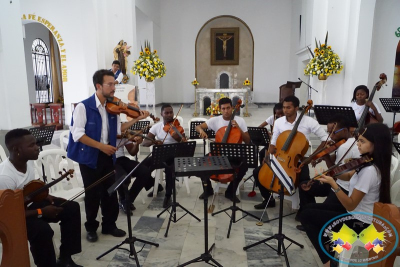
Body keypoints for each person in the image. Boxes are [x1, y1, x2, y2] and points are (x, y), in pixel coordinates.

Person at [68, 69, 147, 242]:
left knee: (110, 192)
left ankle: (109, 225)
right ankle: (91, 227)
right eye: (109, 84)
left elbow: (119, 130)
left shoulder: (112, 108)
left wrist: (137, 119)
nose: (113, 88)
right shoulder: (83, 107)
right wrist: (102, 147)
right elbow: (78, 135)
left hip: (106, 155)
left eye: (114, 84)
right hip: (89, 156)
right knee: (92, 194)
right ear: (98, 86)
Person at [300, 123, 392, 267]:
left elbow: (351, 203)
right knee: (307, 210)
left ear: (376, 144)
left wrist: (333, 184)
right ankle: (333, 255)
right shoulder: (369, 162)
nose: (358, 145)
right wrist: (331, 175)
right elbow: (349, 176)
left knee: (307, 216)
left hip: (361, 222)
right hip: (353, 213)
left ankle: (329, 262)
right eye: (358, 140)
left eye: (362, 142)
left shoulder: (370, 171)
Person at [0, 129, 82, 267]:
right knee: (42, 231)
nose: (37, 147)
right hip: (13, 218)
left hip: (27, 205)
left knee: (71, 207)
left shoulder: (29, 161)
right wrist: (41, 212)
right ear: (16, 149)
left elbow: (32, 189)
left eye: (36, 144)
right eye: (32, 145)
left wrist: (47, 196)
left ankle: (65, 259)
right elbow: (9, 215)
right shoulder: (5, 177)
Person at [253, 96, 328, 210]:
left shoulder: (309, 121)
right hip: (279, 157)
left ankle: (304, 209)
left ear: (296, 108)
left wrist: (312, 157)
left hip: (297, 161)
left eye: (288, 107)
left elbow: (325, 139)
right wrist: (268, 156)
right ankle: (268, 199)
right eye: (284, 107)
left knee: (304, 182)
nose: (285, 110)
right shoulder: (279, 122)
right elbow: (273, 142)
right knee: (258, 172)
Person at [295, 115, 360, 231]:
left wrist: (326, 157)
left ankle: (311, 221)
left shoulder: (345, 147)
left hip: (342, 187)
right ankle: (306, 213)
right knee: (305, 186)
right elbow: (341, 161)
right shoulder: (347, 143)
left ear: (344, 130)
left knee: (314, 204)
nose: (331, 136)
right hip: (338, 183)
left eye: (334, 133)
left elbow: (335, 172)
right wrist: (328, 156)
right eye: (329, 132)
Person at [195, 97, 251, 203]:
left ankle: (230, 191)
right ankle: (208, 190)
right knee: (201, 163)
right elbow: (198, 127)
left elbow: (247, 140)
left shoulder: (240, 120)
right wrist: (201, 131)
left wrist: (238, 128)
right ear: (220, 109)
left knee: (244, 167)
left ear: (232, 108)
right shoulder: (215, 120)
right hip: (219, 153)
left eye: (228, 108)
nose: (226, 111)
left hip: (235, 154)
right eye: (223, 108)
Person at [142, 104, 186, 208]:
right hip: (160, 154)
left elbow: (183, 141)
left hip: (174, 155)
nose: (169, 115)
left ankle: (168, 195)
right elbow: (145, 142)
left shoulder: (177, 126)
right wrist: (154, 142)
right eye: (166, 113)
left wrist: (179, 138)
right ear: (161, 114)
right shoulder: (157, 127)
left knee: (169, 169)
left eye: (171, 112)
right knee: (142, 167)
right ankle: (155, 185)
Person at [115, 133, 158, 215]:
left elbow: (132, 153)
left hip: (122, 159)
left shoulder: (123, 134)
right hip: (110, 161)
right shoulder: (105, 132)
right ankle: (123, 199)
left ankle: (128, 200)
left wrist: (136, 144)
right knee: (123, 177)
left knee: (145, 171)